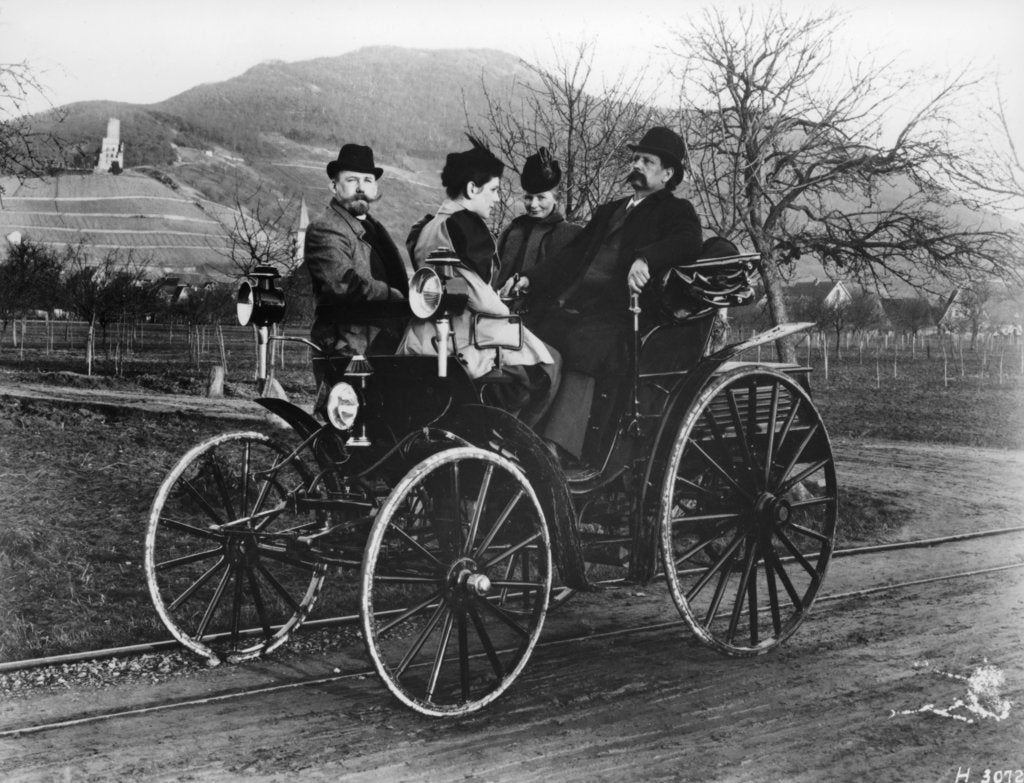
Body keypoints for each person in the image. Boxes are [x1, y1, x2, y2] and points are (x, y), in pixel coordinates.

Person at [505, 126, 703, 462]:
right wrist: (529, 279)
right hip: (578, 306)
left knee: (585, 346)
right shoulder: (610, 210)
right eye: (636, 158)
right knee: (530, 338)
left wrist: (646, 258)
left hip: (622, 314)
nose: (637, 164)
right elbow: (571, 256)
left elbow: (688, 241)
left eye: (647, 161)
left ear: (667, 174)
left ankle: (557, 448)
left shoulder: (676, 211)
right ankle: (517, 434)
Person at [399, 136, 559, 425]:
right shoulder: (466, 226)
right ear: (472, 189)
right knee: (550, 364)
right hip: (465, 337)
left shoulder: (424, 226)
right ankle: (518, 445)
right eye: (494, 190)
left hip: (423, 335)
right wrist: (507, 310)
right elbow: (477, 296)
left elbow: (449, 283)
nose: (498, 199)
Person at [304, 143, 408, 366]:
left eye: (368, 180)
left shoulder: (374, 227)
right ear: (334, 186)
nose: (361, 187)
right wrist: (393, 295)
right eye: (352, 180)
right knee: (342, 401)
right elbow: (344, 285)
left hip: (384, 342)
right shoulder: (326, 228)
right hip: (347, 347)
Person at [494, 147, 582, 292]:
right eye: (528, 198)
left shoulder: (571, 234)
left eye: (541, 197)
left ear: (556, 198)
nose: (533, 205)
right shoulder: (512, 231)